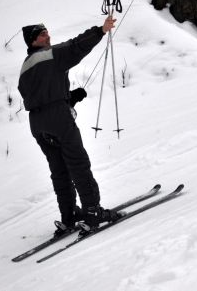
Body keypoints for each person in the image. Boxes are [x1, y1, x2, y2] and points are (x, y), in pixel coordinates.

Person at [18, 17, 121, 235]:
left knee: (59, 170)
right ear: (33, 41)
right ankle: (93, 212)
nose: (48, 36)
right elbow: (75, 46)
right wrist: (101, 30)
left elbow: (37, 95)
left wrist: (69, 98)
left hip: (37, 123)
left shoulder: (25, 67)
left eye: (47, 32)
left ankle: (69, 215)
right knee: (78, 164)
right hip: (58, 119)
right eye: (42, 34)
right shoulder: (50, 54)